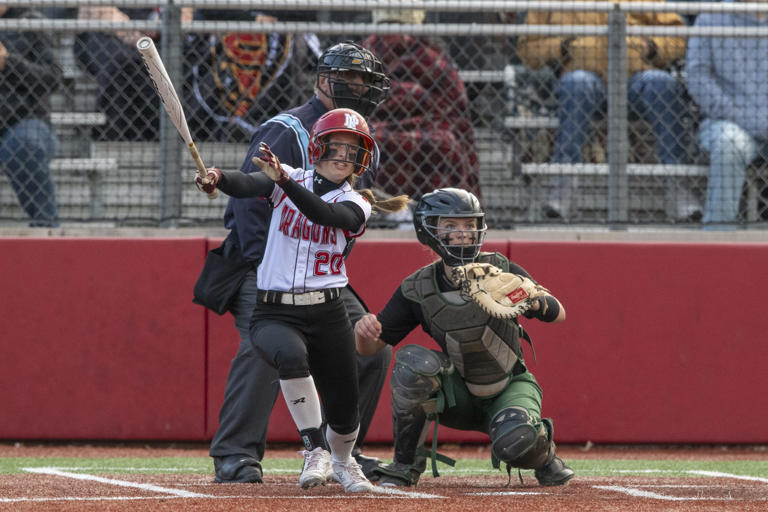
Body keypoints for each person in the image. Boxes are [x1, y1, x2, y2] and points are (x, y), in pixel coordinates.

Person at [194, 108, 408, 492]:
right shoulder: (288, 177)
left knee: (344, 409)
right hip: (274, 309)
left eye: (351, 150)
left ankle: (342, 462)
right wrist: (218, 178)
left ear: (362, 160)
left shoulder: (357, 203)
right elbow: (248, 184)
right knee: (288, 354)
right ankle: (314, 449)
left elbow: (323, 214)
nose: (342, 156)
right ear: (318, 147)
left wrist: (284, 182)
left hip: (328, 311)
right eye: (336, 146)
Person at [354, 188, 575, 488]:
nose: (462, 234)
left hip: (509, 385)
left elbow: (558, 312)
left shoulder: (501, 269)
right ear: (429, 230)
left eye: (469, 226)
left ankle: (545, 455)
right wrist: (364, 332)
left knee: (516, 440)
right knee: (412, 364)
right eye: (451, 226)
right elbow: (370, 348)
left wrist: (533, 301)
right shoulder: (417, 288)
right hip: (458, 392)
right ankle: (405, 465)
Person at [516, 0, 690, 219]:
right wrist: (563, 47)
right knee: (577, 83)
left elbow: (678, 38)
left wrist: (651, 47)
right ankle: (563, 186)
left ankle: (678, 184)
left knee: (661, 83)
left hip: (636, 79)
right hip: (583, 80)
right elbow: (527, 48)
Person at [362, 7, 481, 204]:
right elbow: (457, 107)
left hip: (377, 124)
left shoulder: (362, 53)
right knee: (447, 143)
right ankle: (444, 208)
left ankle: (383, 207)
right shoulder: (432, 56)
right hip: (428, 128)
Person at [685, 1, 768, 230]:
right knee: (729, 143)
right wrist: (748, 118)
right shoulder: (711, 17)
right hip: (728, 122)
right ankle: (717, 238)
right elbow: (697, 77)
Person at [0, 6, 61, 227]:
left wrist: (8, 63)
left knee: (24, 144)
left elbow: (52, 78)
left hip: (24, 122)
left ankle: (47, 230)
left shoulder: (30, 22)